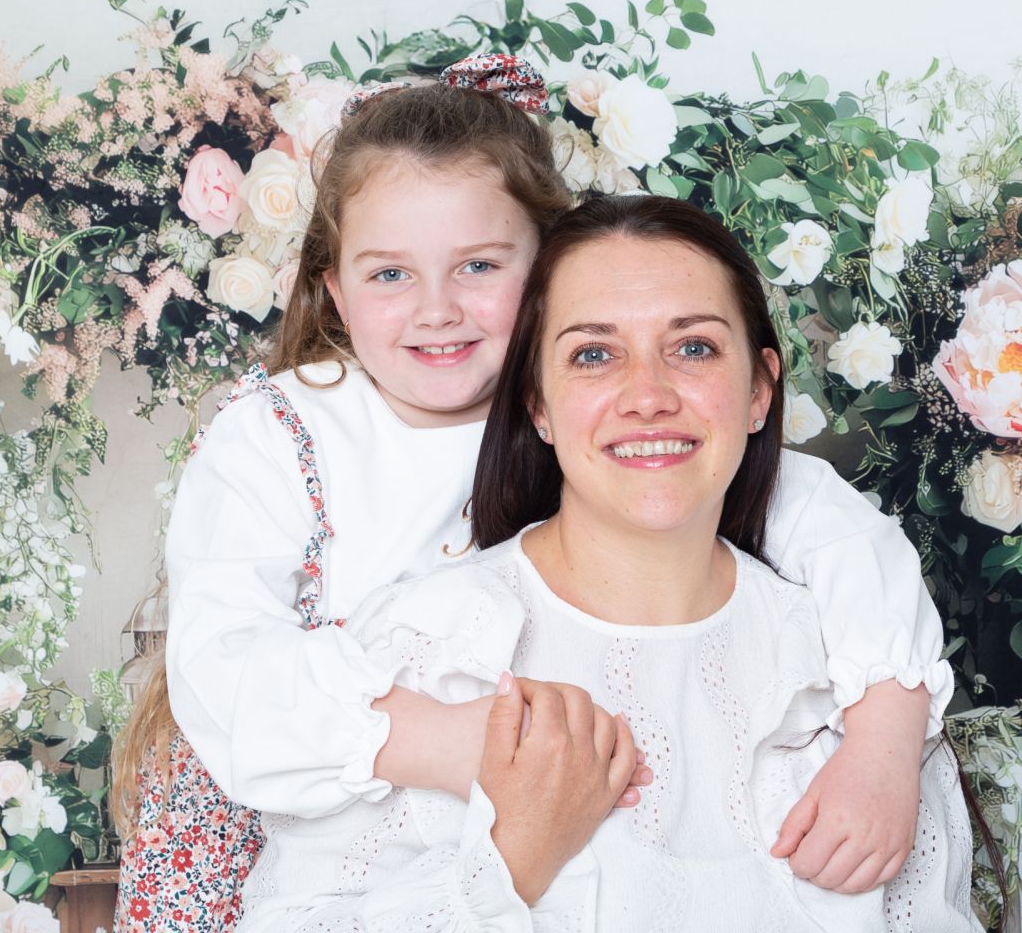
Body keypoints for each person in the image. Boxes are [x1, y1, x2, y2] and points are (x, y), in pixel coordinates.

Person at [113, 58, 953, 931]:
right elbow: (225, 665)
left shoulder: (604, 420)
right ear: (335, 290)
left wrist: (885, 741)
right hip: (267, 785)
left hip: (539, 766)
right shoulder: (282, 429)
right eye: (390, 275)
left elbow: (844, 541)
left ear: (548, 268)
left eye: (478, 265)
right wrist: (464, 741)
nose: (437, 310)